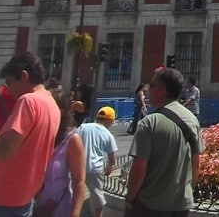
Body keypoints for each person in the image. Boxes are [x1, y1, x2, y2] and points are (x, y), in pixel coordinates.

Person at [0, 51, 61, 217]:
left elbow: (4, 150)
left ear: (23, 75)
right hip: (22, 197)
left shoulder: (28, 101)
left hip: (4, 199)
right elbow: (11, 144)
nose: (8, 89)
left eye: (9, 82)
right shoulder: (51, 103)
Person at [126, 66, 205, 217]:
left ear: (162, 90)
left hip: (150, 205)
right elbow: (195, 165)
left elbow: (139, 167)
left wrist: (130, 199)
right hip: (181, 205)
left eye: (152, 86)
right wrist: (187, 193)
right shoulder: (192, 120)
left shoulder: (149, 122)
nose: (148, 89)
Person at [34, 90, 87, 217]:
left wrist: (75, 214)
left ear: (61, 111)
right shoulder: (37, 135)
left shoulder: (71, 139)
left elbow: (79, 181)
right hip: (33, 207)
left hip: (59, 207)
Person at [78, 107, 118, 217]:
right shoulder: (108, 134)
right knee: (97, 196)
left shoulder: (83, 127)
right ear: (111, 121)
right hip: (94, 169)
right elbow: (111, 156)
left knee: (75, 193)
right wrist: (109, 168)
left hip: (78, 167)